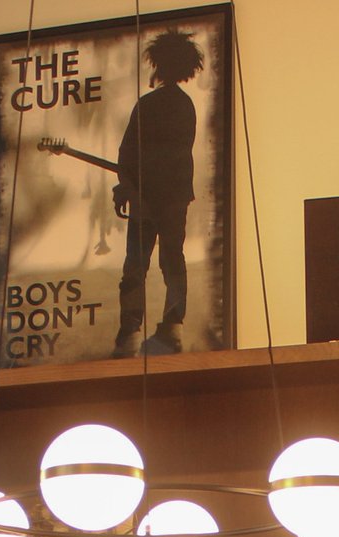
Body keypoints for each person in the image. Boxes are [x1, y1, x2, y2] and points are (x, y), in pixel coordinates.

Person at [113, 28, 204, 357]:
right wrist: (132, 188)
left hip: (162, 198)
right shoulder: (177, 106)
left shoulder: (160, 106)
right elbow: (131, 153)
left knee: (149, 264)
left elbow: (136, 154)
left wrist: (133, 188)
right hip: (159, 198)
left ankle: (146, 326)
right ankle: (149, 326)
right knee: (159, 263)